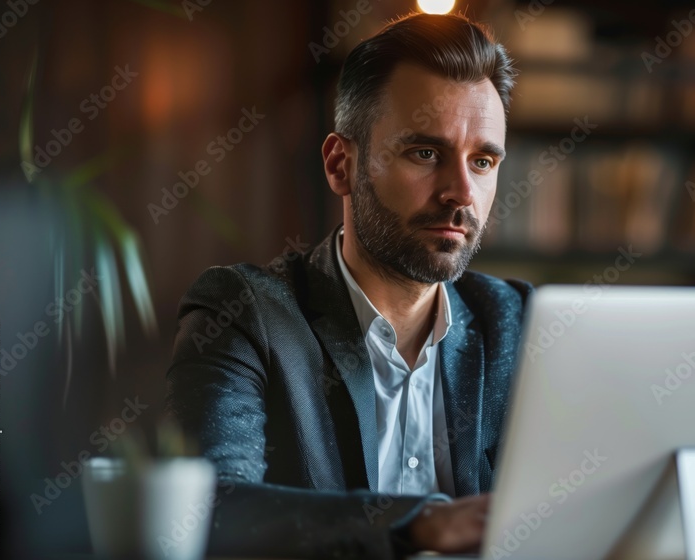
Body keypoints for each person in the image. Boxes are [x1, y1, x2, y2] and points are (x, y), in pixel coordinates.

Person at [166, 12, 530, 559]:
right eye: (425, 153)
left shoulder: (520, 324)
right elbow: (209, 511)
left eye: (482, 161)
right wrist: (419, 523)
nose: (461, 192)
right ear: (341, 165)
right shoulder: (241, 314)